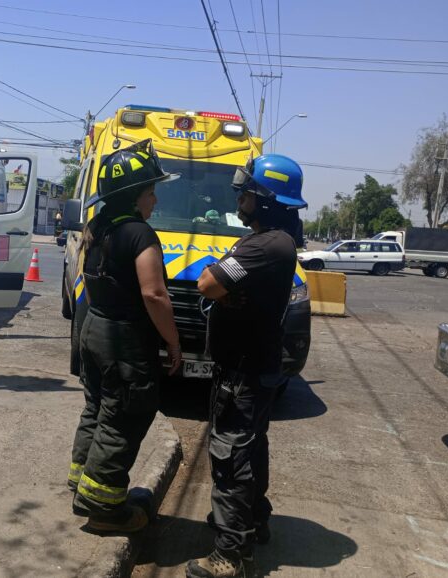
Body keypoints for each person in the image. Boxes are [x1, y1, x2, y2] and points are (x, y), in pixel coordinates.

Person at [186, 154, 307, 578]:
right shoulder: (268, 241)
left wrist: (217, 284)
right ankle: (253, 521)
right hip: (249, 366)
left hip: (244, 371)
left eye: (248, 192)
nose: (241, 198)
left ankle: (229, 555)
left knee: (232, 457)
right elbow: (223, 285)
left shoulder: (265, 245)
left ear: (267, 199)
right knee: (250, 450)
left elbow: (207, 283)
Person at [68, 139, 183, 533]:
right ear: (135, 195)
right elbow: (154, 294)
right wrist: (172, 341)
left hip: (94, 330)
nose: (154, 199)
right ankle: (103, 509)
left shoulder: (97, 225)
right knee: (123, 418)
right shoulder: (140, 235)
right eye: (151, 191)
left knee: (96, 409)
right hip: (125, 343)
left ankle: (82, 481)